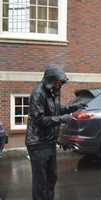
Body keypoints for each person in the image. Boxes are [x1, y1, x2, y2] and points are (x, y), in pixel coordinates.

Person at [25, 65, 84, 200]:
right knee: (40, 181)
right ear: (50, 80)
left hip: (49, 141)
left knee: (52, 177)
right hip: (37, 142)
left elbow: (57, 109)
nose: (60, 85)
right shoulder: (38, 93)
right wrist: (63, 119)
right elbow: (40, 120)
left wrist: (74, 107)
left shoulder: (53, 91)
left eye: (61, 83)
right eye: (58, 82)